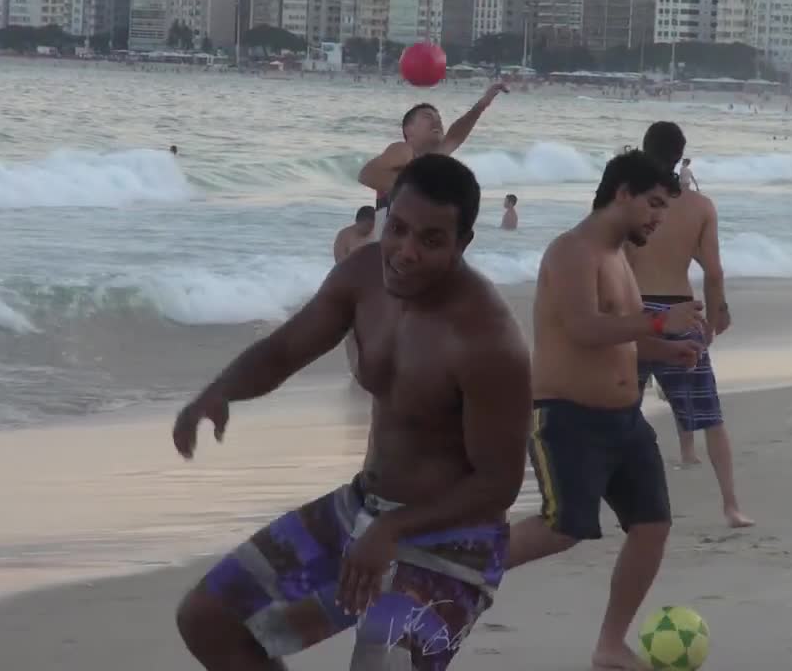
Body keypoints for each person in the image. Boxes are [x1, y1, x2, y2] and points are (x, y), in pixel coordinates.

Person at [173, 154, 532, 671]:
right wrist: (219, 392)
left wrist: (392, 532)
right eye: (399, 229)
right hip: (363, 508)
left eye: (431, 240)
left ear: (462, 244)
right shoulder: (365, 276)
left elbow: (498, 484)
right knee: (209, 619)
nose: (405, 252)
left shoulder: (486, 340)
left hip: (456, 542)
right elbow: (284, 350)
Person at [507, 150, 706, 671]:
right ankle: (453, 568)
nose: (659, 218)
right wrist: (662, 323)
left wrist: (670, 349)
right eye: (654, 204)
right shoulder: (572, 251)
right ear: (622, 193)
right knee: (562, 528)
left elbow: (623, 340)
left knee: (653, 525)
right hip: (567, 417)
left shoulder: (620, 257)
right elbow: (584, 329)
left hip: (624, 420)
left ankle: (610, 646)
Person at [626, 122, 752, 529]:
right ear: (681, 157)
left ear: (644, 152)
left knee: (612, 410)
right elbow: (713, 271)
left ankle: (596, 500)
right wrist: (715, 317)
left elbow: (608, 259)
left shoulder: (626, 200)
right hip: (681, 311)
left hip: (632, 313)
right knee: (709, 415)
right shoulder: (700, 207)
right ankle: (731, 505)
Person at [357, 82, 509, 239]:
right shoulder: (403, 150)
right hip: (385, 250)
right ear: (408, 130)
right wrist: (420, 187)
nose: (437, 122)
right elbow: (367, 174)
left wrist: (482, 105)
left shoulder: (432, 161)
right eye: (428, 117)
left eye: (439, 119)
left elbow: (455, 136)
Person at [334, 206, 377, 380]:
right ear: (357, 222)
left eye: (371, 227)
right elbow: (340, 264)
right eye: (364, 227)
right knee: (351, 333)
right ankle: (355, 370)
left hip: (374, 289)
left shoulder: (378, 234)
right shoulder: (345, 236)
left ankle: (371, 367)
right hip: (350, 288)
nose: (367, 231)